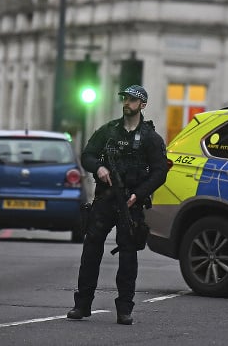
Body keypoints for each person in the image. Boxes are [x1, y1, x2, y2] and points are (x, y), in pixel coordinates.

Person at [67, 84, 168, 325]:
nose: (127, 103)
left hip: (131, 203)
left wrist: (138, 194)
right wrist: (99, 167)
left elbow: (159, 172)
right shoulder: (108, 131)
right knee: (91, 249)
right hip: (105, 199)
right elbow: (87, 155)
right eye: (125, 99)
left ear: (142, 105)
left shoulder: (150, 139)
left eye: (132, 100)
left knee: (128, 255)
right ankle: (82, 305)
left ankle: (125, 308)